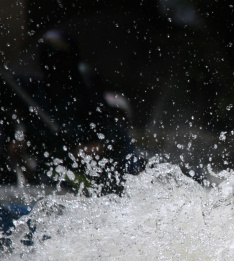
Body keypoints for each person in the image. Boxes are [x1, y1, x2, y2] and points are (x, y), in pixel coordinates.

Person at [3, 30, 143, 192]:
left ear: (70, 61)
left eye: (58, 58)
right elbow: (36, 183)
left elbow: (114, 141)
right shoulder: (33, 96)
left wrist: (89, 150)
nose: (52, 65)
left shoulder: (88, 100)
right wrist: (20, 159)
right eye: (47, 57)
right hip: (52, 185)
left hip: (88, 183)